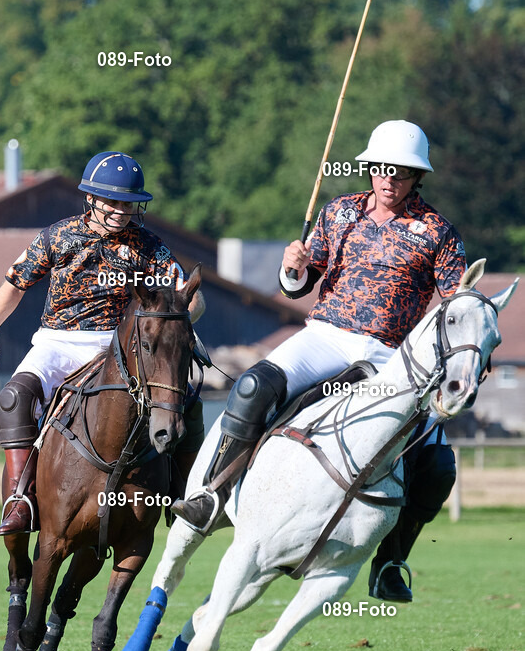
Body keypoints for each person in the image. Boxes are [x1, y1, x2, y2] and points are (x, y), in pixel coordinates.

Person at [172, 120, 465, 603]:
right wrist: (291, 271)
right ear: (370, 168)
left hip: (392, 356)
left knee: (436, 461)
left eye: (402, 172)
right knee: (251, 386)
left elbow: (458, 303)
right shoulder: (339, 213)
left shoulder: (437, 231)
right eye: (382, 169)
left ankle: (390, 560)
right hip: (326, 337)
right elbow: (299, 286)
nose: (389, 179)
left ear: (418, 177)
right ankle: (212, 495)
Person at [0, 151, 205, 536]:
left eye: (129, 204)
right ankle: (19, 500)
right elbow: (14, 287)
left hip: (116, 349)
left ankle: (184, 493)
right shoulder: (58, 236)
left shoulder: (148, 246)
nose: (121, 211)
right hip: (57, 343)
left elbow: (190, 296)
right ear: (92, 199)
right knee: (13, 396)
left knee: (186, 398)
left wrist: (179, 324)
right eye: (113, 202)